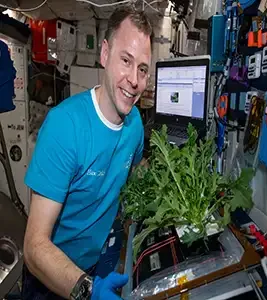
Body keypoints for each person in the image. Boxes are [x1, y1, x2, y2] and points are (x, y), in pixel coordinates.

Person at [22, 5, 153, 300]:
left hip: (96, 265)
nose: (134, 80)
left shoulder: (134, 126)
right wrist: (87, 290)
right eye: (125, 60)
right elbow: (33, 247)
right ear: (104, 54)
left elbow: (133, 171)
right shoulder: (64, 127)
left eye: (143, 69)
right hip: (50, 277)